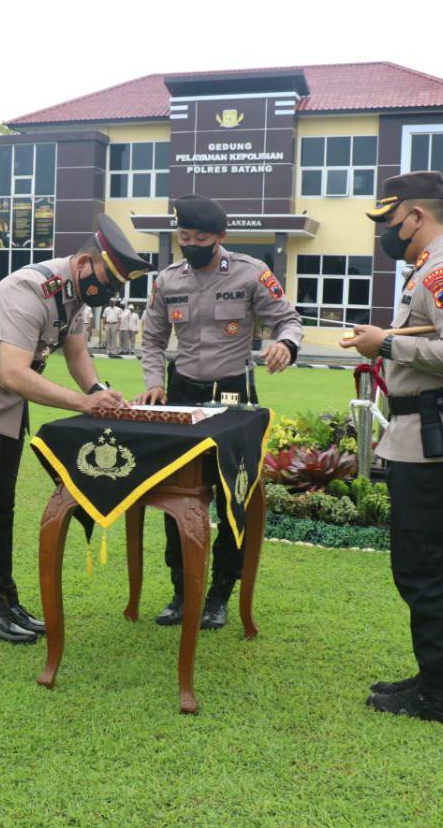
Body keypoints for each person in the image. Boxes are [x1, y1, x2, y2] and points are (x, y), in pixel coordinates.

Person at [0, 214, 145, 643]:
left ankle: (6, 601)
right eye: (108, 280)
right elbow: (13, 372)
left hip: (8, 404)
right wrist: (82, 402)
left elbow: (76, 353)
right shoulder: (29, 289)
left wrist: (99, 391)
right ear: (86, 263)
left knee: (2, 509)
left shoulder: (73, 297)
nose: (109, 292)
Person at [340, 172, 443, 724]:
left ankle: (438, 698)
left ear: (416, 218)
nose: (385, 232)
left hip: (439, 443)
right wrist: (390, 342)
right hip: (433, 438)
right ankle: (433, 679)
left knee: (425, 569)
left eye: (390, 221)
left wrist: (387, 343)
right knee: (429, 566)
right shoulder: (431, 268)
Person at [136, 194, 302, 630]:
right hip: (182, 393)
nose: (190, 243)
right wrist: (154, 382)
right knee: (177, 494)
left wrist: (285, 343)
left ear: (220, 237)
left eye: (200, 237)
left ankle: (220, 595)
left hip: (232, 395)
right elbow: (152, 339)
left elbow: (288, 319)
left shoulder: (251, 273)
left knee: (234, 495)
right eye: (183, 236)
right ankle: (180, 591)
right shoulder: (168, 279)